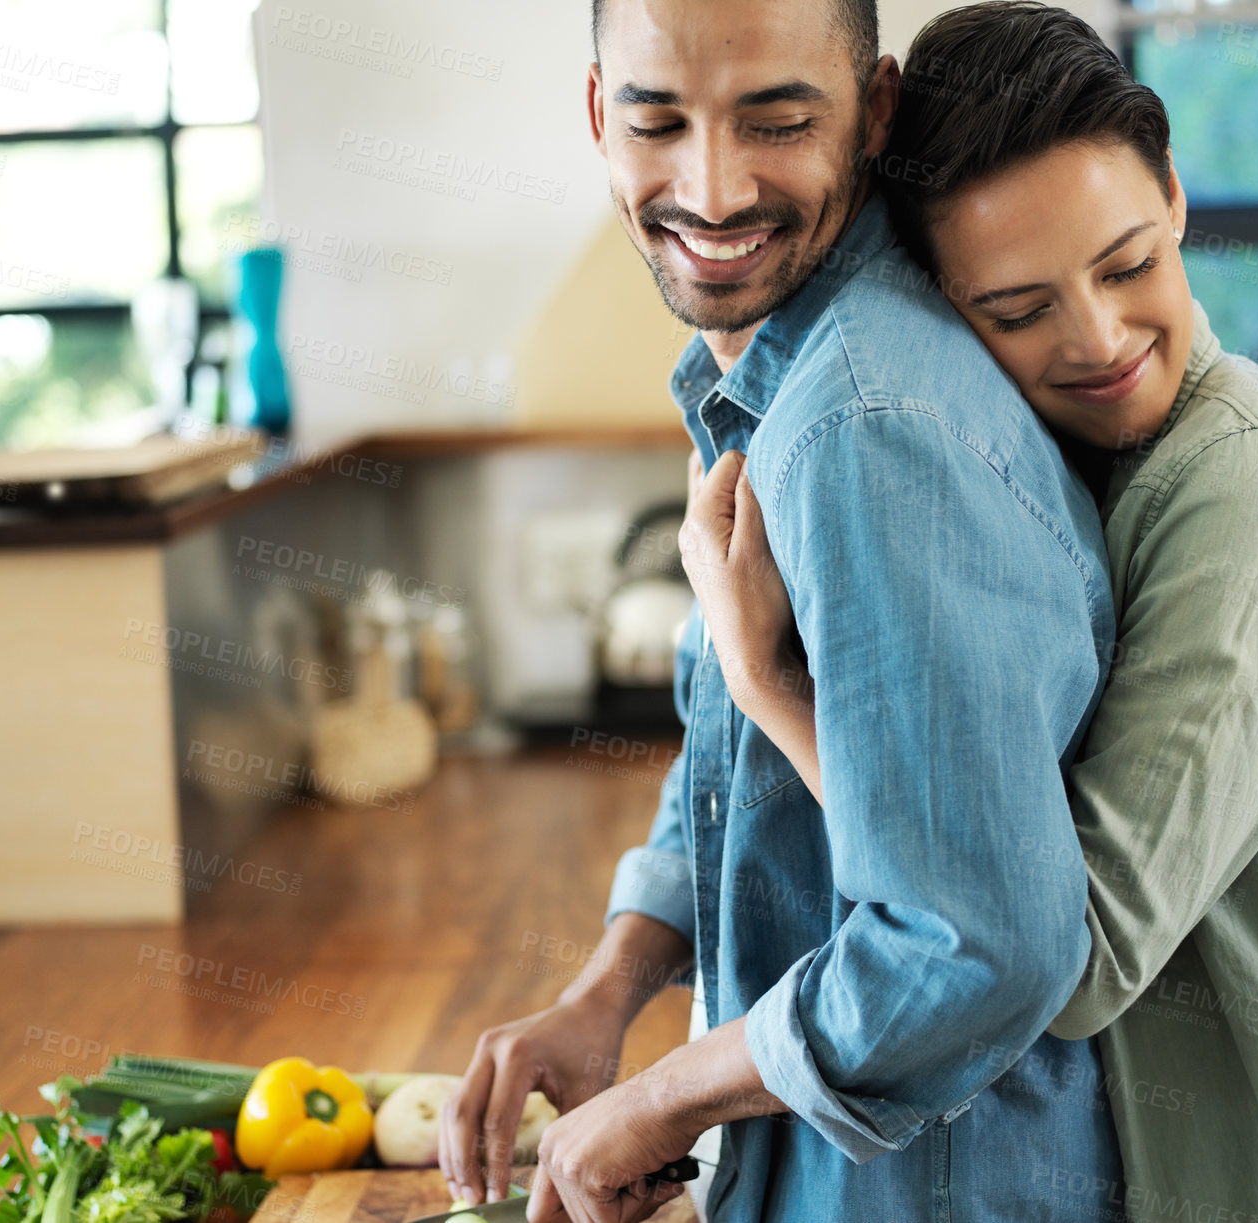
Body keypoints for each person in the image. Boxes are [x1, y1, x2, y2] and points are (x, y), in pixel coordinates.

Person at [679, 4, 1258, 1221]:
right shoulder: (1049, 477)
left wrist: (772, 687)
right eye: (1016, 311)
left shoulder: (1257, 483)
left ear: (1173, 193)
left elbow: (1072, 948)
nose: (1100, 338)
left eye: (1127, 265)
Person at [437, 0, 1130, 1220]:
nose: (710, 189)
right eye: (658, 121)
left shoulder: (866, 427)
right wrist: (610, 986)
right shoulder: (774, 368)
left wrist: (660, 1100)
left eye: (777, 120)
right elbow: (740, 724)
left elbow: (978, 940)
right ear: (601, 117)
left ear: (875, 113)